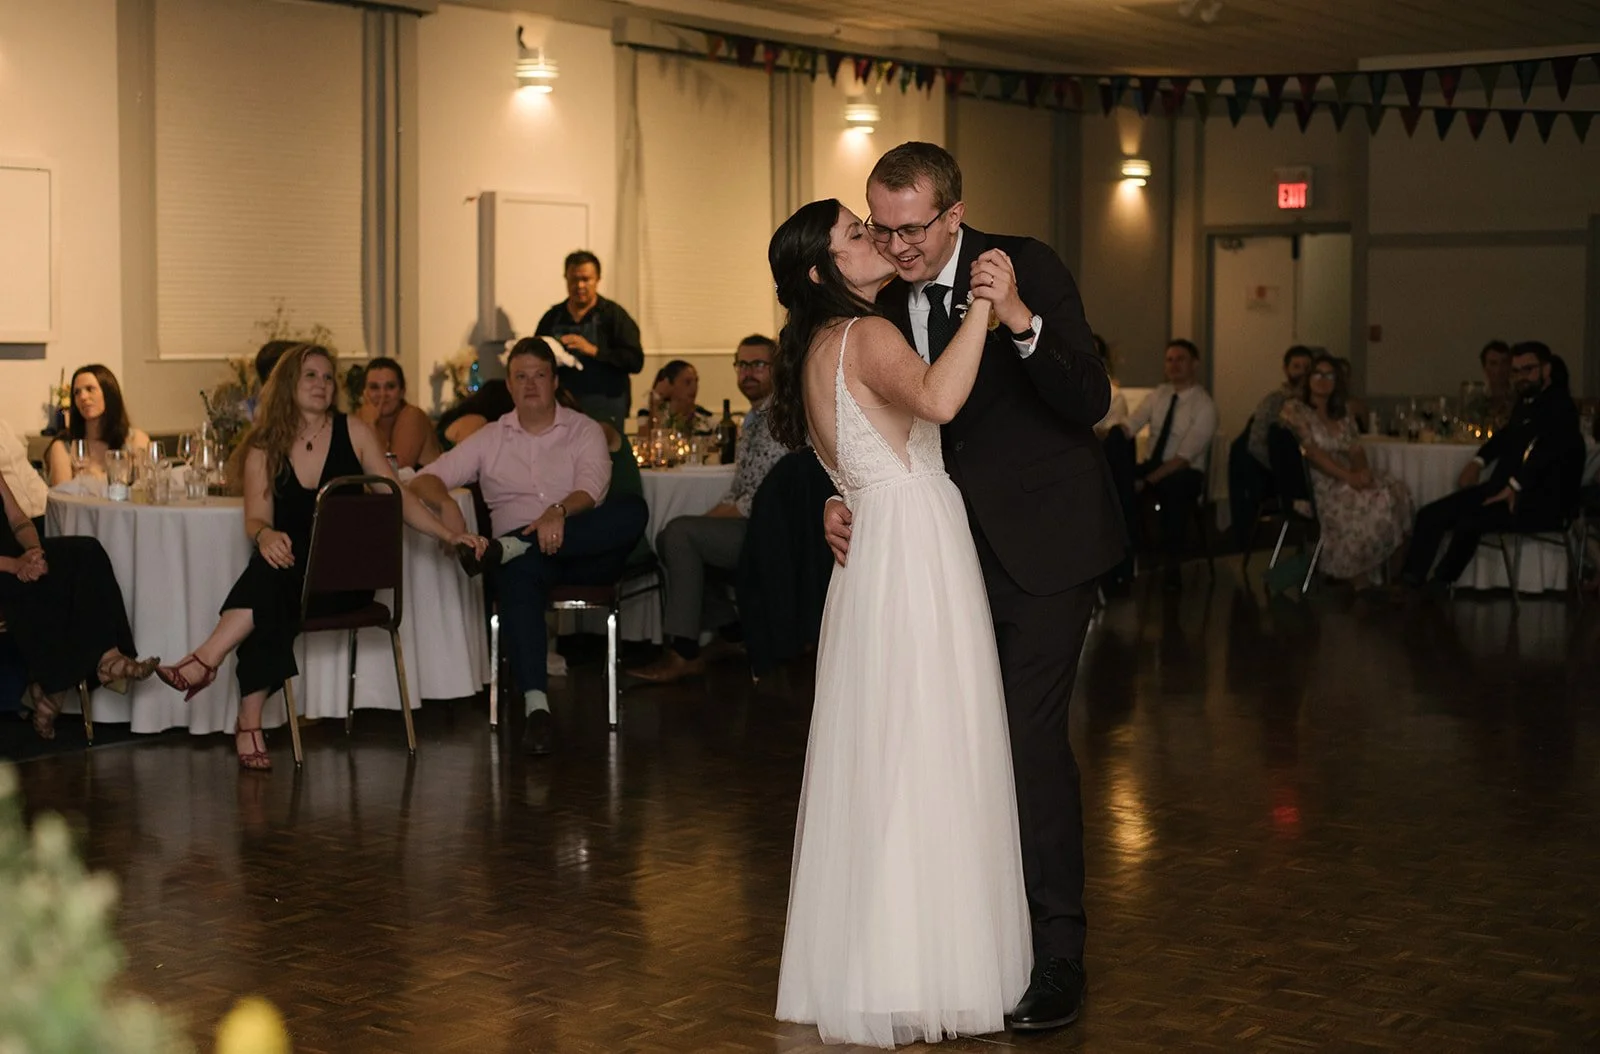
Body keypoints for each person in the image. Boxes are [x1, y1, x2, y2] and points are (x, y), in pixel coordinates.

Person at [812, 143, 1122, 1036]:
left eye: (913, 227)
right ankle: (973, 945)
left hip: (1044, 550)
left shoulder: (1021, 264)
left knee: (1026, 741)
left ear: (954, 213)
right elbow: (868, 420)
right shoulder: (874, 300)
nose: (899, 245)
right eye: (882, 227)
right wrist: (840, 498)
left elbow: (1089, 396)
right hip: (934, 556)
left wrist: (1018, 315)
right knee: (945, 747)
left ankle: (1059, 953)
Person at [770, 197, 1028, 1048]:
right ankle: (930, 969)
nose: (876, 237)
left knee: (884, 752)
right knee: (929, 746)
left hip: (877, 554)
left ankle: (874, 963)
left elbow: (855, 455)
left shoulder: (814, 349)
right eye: (856, 232)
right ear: (823, 272)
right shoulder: (868, 336)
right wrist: (987, 302)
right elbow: (941, 402)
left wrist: (837, 505)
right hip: (914, 549)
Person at [154, 344, 485, 771]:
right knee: (273, 578)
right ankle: (244, 716)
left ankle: (208, 663)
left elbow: (395, 496)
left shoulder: (356, 431)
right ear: (289, 382)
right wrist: (266, 533)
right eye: (311, 375)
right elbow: (255, 518)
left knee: (270, 582)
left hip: (344, 580)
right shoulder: (264, 445)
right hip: (293, 582)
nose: (322, 384)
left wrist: (450, 533)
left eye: (328, 377)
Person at [408, 338, 647, 757]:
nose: (531, 384)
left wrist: (556, 512)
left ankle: (511, 547)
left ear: (555, 381)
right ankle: (537, 708)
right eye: (521, 376)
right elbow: (425, 478)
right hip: (531, 569)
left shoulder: (583, 429)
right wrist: (446, 501)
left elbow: (593, 489)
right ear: (511, 386)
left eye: (540, 375)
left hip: (583, 551)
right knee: (518, 578)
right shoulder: (490, 437)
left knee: (632, 511)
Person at [628, 335, 784, 684]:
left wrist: (698, 522)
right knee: (674, 535)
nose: (748, 373)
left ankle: (683, 652)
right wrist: (702, 520)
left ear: (777, 369)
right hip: (752, 524)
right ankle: (731, 631)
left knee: (680, 534)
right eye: (741, 365)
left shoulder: (779, 420)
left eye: (758, 365)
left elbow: (750, 502)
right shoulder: (753, 420)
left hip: (773, 532)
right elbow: (736, 492)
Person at [1396, 341, 1585, 592]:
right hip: (1503, 488)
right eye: (1516, 371)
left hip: (1539, 501)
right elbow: (1507, 436)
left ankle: (1440, 582)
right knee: (1431, 514)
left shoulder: (1561, 406)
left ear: (1546, 369)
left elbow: (1547, 453)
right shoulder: (1526, 401)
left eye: (1528, 369)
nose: (1521, 377)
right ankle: (1410, 580)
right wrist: (1478, 461)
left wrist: (1515, 485)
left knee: (1469, 520)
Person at [0, 471, 159, 739]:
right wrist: (16, 566)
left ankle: (109, 657)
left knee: (86, 552)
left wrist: (34, 552)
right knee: (46, 588)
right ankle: (53, 687)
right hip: (5, 568)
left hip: (17, 559)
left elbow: (18, 520)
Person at [1279, 355, 1413, 587]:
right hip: (1316, 484)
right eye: (1318, 374)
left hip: (1347, 476)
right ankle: (1356, 573)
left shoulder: (1342, 414)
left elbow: (1356, 450)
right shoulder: (1295, 409)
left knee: (1396, 491)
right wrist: (1349, 477)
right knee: (1374, 500)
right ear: (1308, 378)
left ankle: (1394, 574)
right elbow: (1312, 453)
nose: (1323, 380)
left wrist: (1362, 473)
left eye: (1329, 375)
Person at [1119, 339, 1218, 590]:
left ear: (1194, 364)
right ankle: (1125, 555)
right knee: (1116, 474)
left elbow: (1184, 457)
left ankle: (1172, 565)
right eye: (1169, 360)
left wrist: (1148, 480)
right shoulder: (1158, 395)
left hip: (1184, 471)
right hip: (1153, 463)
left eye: (1180, 359)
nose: (1174, 365)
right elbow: (1131, 425)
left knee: (1175, 487)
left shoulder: (1204, 404)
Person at [535, 251, 645, 429]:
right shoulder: (553, 317)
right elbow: (534, 359)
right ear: (566, 279)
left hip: (606, 408)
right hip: (561, 409)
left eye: (586, 279)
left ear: (598, 279)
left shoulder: (614, 316)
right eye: (573, 279)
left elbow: (635, 361)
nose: (579, 285)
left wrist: (594, 351)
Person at [1229, 345, 1313, 548]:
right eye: (1296, 366)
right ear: (1286, 369)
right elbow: (1256, 444)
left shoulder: (1318, 401)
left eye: (1307, 367)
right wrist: (1282, 468)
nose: (1302, 371)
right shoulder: (1274, 401)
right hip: (1277, 474)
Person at [44, 365, 151, 486]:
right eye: (77, 392)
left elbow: (145, 486)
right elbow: (63, 497)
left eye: (90, 389)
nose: (83, 397)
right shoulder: (63, 446)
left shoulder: (135, 439)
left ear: (108, 394)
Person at [358, 357, 442, 470]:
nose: (382, 394)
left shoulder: (412, 416)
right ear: (365, 393)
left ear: (402, 392)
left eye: (390, 387)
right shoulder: (358, 419)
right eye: (374, 387)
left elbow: (394, 472)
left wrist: (371, 426)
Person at [637, 359, 711, 429]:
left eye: (696, 381)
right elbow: (644, 439)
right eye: (687, 382)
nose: (694, 387)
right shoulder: (647, 411)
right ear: (669, 384)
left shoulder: (705, 417)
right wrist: (655, 404)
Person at [1466, 339, 1515, 431]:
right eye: (1493, 364)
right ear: (1485, 368)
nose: (1499, 369)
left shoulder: (1519, 399)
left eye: (1504, 363)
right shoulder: (1475, 403)